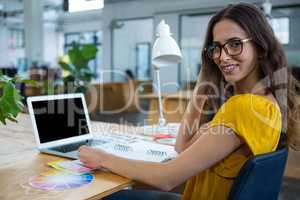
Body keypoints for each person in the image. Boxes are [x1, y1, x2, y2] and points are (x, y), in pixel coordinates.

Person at [79, 3, 300, 200]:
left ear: (260, 48)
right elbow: (182, 146)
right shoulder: (267, 102)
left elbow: (167, 179)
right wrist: (204, 79)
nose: (222, 57)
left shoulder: (244, 108)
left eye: (234, 44)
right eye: (216, 48)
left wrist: (103, 158)